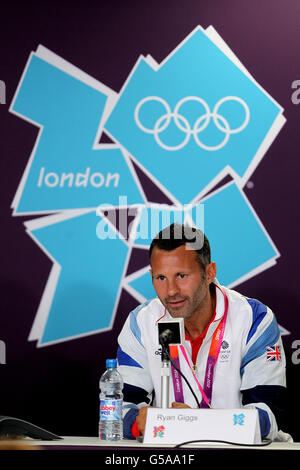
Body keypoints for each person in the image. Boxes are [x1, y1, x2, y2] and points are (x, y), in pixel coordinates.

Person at [117, 223, 289, 441]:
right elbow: (116, 410)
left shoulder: (254, 319)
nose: (171, 291)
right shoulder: (141, 322)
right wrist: (137, 423)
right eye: (161, 278)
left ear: (209, 273)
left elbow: (268, 417)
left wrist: (194, 423)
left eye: (181, 275)